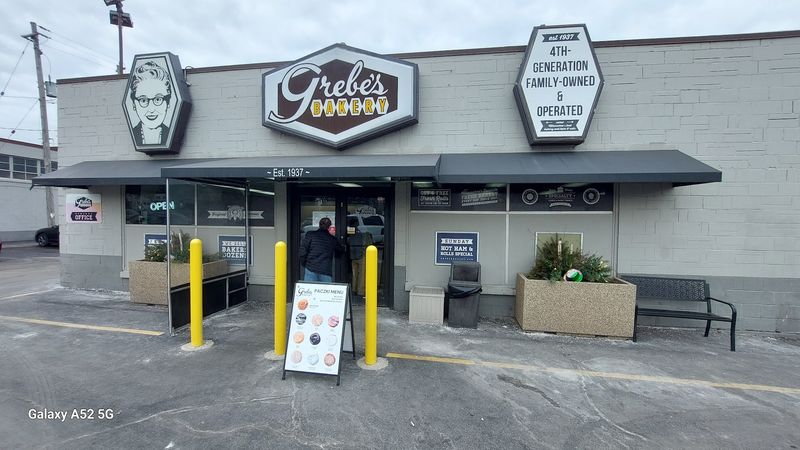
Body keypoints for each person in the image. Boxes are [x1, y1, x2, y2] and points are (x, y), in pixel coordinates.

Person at [130, 61, 172, 146]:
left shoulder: (171, 133)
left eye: (158, 99)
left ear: (168, 102)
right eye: (143, 100)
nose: (151, 109)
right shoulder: (134, 134)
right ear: (134, 104)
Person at [299, 217, 344, 282]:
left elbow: (303, 251)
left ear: (319, 225)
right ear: (329, 227)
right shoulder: (332, 239)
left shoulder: (310, 235)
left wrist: (304, 263)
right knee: (325, 291)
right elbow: (339, 251)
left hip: (310, 267)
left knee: (309, 291)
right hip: (325, 270)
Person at [348, 228, 373, 296]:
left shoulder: (351, 235)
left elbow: (348, 242)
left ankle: (354, 289)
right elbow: (370, 244)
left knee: (354, 274)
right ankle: (360, 291)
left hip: (353, 256)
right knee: (362, 274)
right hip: (362, 256)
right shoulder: (364, 234)